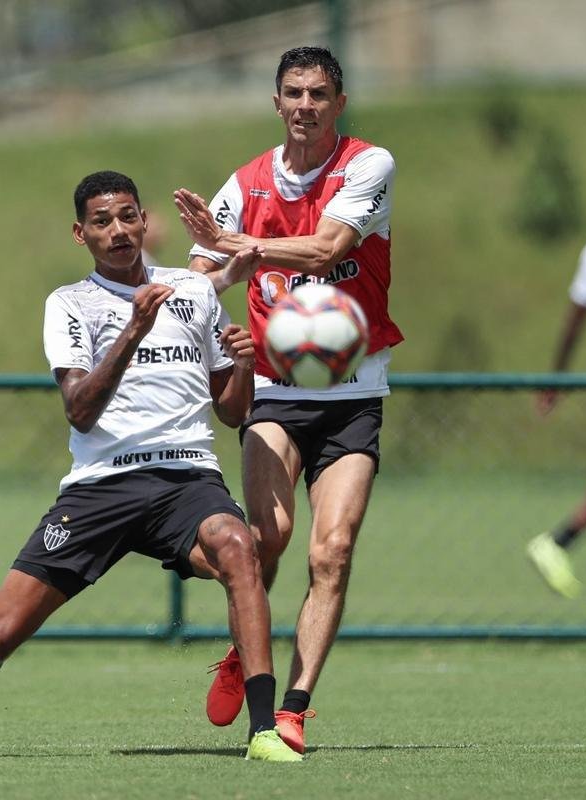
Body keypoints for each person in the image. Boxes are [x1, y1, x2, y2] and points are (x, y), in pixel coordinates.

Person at [0, 170, 301, 763]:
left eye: (128, 216)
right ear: (80, 234)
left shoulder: (193, 290)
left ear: (144, 221)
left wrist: (242, 366)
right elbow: (80, 412)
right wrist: (133, 329)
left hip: (186, 478)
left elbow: (233, 412)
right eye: (102, 222)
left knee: (240, 548)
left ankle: (263, 730)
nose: (118, 230)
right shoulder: (69, 303)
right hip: (100, 488)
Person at [173, 46, 402, 754]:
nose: (306, 105)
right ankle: (246, 650)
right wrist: (205, 296)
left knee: (332, 552)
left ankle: (294, 708)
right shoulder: (246, 183)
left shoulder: (368, 165)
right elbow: (203, 274)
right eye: (294, 93)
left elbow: (326, 247)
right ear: (276, 102)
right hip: (274, 389)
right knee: (265, 540)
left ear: (339, 103)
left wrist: (235, 246)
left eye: (319, 93)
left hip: (353, 390)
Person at [527, 224, 586, 599]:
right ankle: (558, 541)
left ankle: (559, 542)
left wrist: (555, 378)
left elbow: (575, 320)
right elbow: (575, 319)